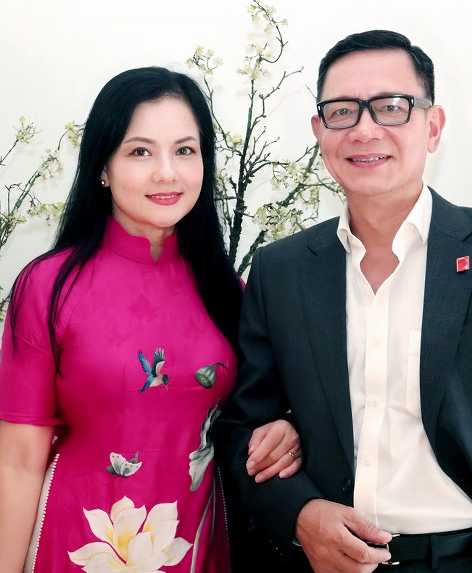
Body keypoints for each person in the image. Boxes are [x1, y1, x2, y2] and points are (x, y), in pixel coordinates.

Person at [217, 29, 472, 572]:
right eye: (342, 112)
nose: (364, 129)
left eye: (390, 107)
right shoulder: (281, 271)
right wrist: (300, 513)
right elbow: (244, 429)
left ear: (432, 126)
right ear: (319, 131)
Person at [0, 66, 303, 573]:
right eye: (140, 152)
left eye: (185, 150)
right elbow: (17, 461)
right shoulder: (48, 286)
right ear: (103, 166)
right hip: (78, 545)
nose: (167, 172)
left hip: (199, 545)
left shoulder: (226, 291)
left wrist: (287, 430)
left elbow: (252, 419)